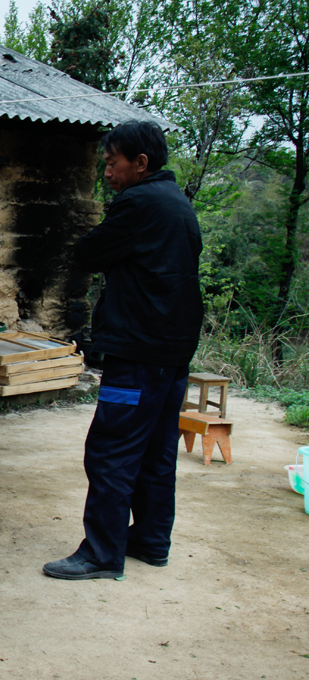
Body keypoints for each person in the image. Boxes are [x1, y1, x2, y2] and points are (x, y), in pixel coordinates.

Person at [43, 120, 203, 580]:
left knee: (111, 450)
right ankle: (151, 541)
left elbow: (88, 253)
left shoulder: (138, 203)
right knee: (156, 451)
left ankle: (101, 553)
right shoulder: (178, 204)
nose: (108, 174)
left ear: (141, 163)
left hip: (137, 353)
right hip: (171, 355)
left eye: (112, 164)